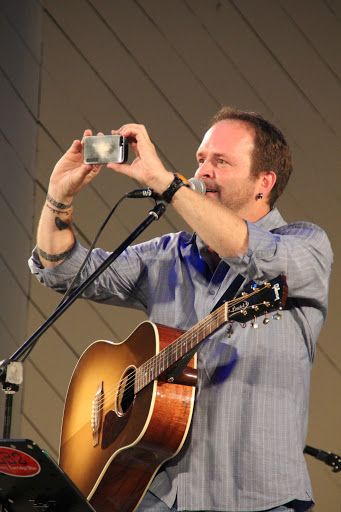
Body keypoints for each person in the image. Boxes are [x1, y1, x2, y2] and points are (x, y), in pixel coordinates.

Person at [29, 107, 333, 512]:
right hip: (158, 497)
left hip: (258, 498)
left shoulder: (305, 245)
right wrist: (58, 197)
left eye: (220, 161)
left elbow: (250, 252)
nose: (203, 170)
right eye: (201, 159)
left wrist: (165, 183)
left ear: (264, 182)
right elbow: (64, 270)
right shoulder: (169, 253)